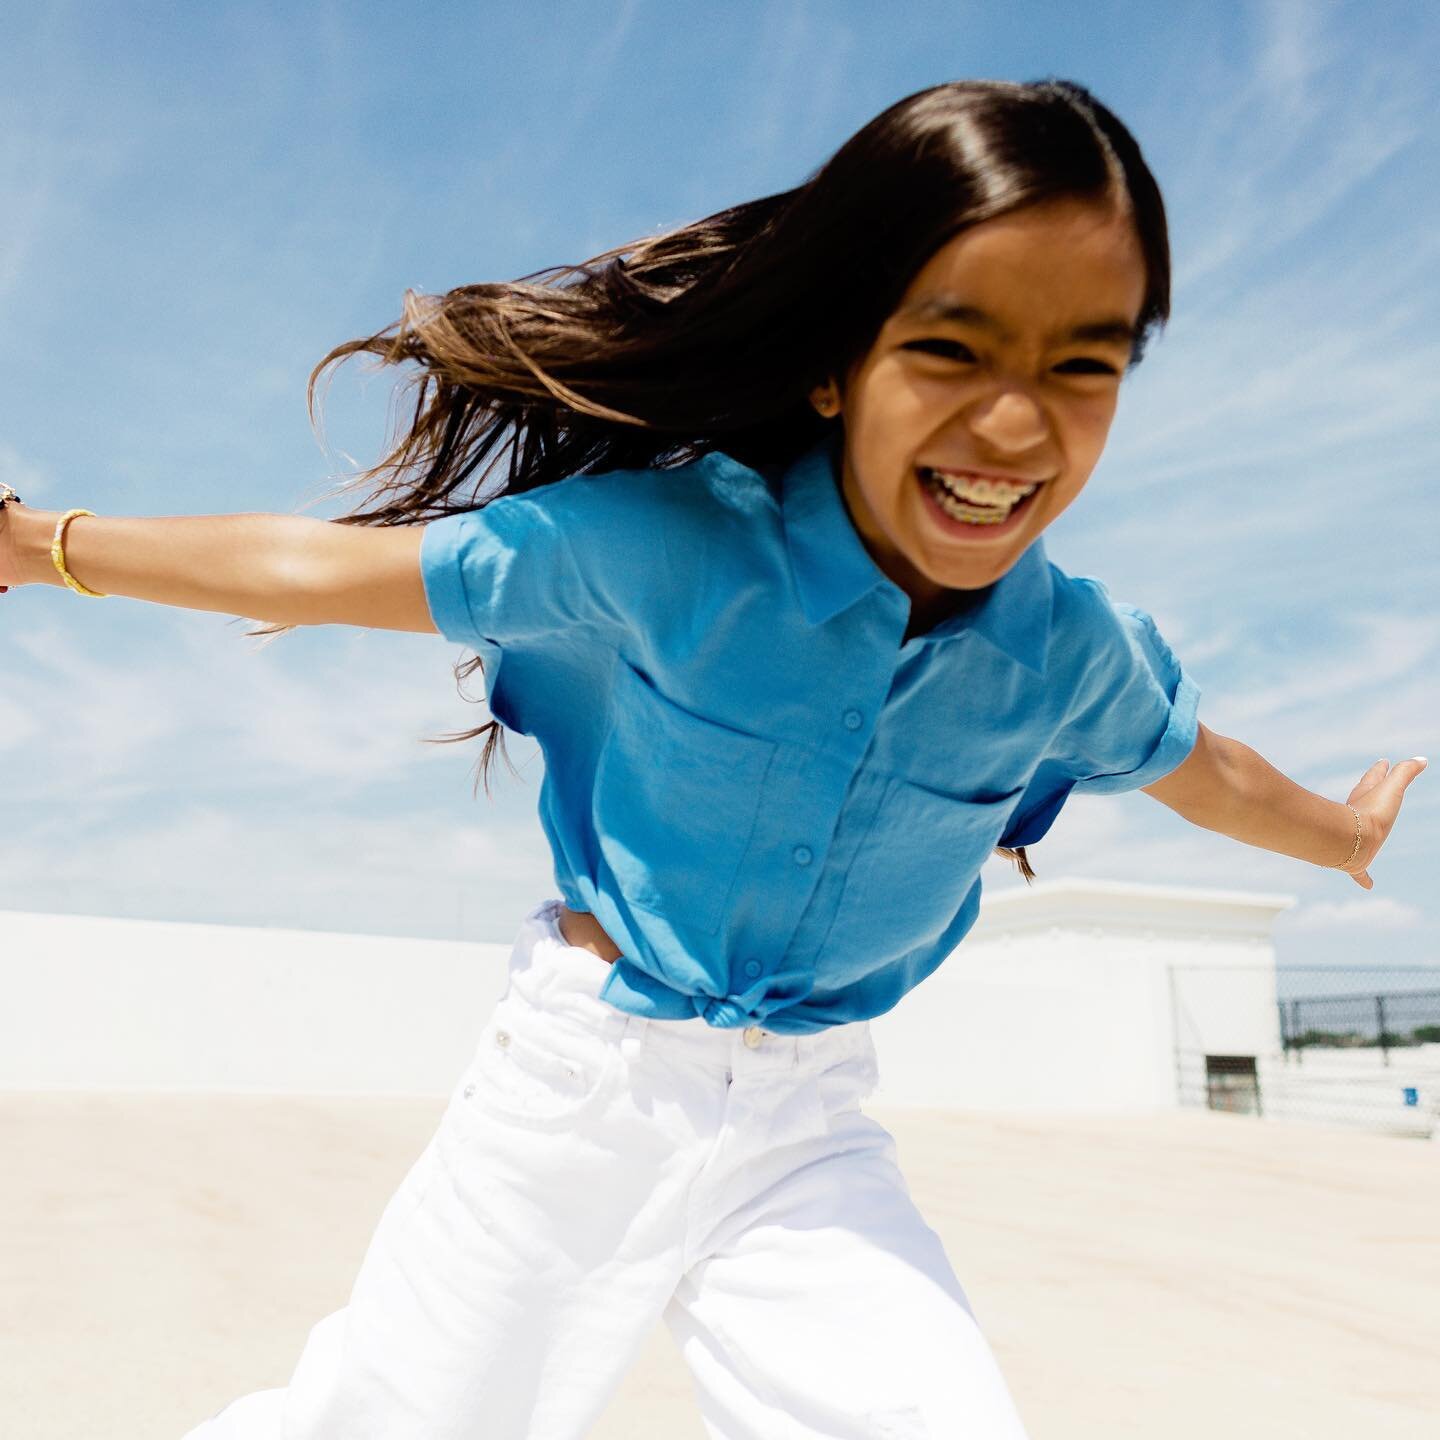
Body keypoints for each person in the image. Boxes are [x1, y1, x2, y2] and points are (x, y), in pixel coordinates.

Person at [0, 77, 1425, 1440]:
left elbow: (1205, 768)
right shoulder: (661, 552)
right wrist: (45, 547)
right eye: (951, 346)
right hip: (584, 1093)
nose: (1015, 422)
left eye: (1083, 365)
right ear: (832, 364)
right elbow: (309, 568)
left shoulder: (1071, 655)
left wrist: (1343, 837)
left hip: (807, 1126)